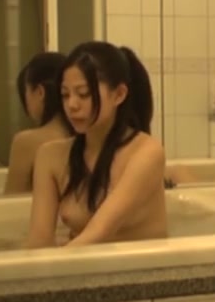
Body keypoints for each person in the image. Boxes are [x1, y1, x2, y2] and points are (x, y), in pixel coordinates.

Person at [24, 41, 167, 248]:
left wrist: (58, 260)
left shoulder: (146, 152)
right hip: (80, 262)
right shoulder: (50, 157)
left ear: (119, 94)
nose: (72, 105)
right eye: (65, 95)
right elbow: (38, 241)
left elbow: (99, 232)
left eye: (84, 94)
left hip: (140, 266)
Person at [3, 52, 70, 194]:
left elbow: (11, 200)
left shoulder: (27, 142)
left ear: (40, 92)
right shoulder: (87, 137)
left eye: (27, 91)